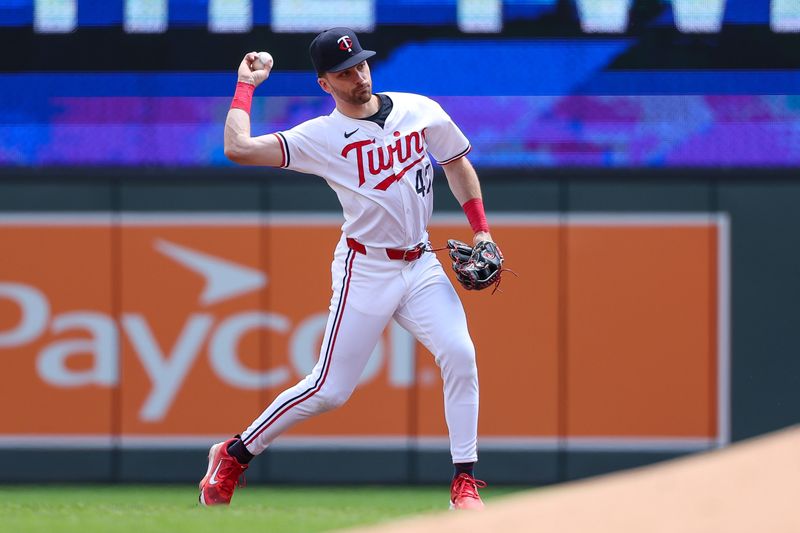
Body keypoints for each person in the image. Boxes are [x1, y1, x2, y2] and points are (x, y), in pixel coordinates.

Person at [199, 27, 499, 511]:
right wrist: (246, 85)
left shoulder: (418, 109)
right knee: (328, 390)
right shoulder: (320, 137)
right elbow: (239, 148)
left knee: (461, 355)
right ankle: (235, 453)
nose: (357, 75)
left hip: (421, 262)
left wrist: (482, 230)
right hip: (367, 267)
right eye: (343, 71)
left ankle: (463, 481)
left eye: (360, 64)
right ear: (325, 84)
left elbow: (457, 163)